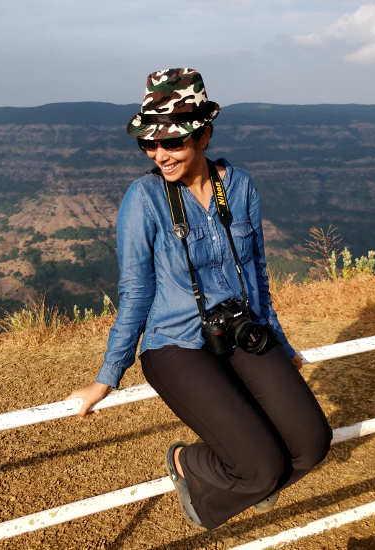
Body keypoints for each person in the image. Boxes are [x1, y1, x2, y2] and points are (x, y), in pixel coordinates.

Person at [66, 68, 331, 530]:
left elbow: (258, 273)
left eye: (172, 143)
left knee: (312, 443)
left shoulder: (240, 185)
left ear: (204, 135)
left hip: (239, 328)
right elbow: (135, 291)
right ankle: (194, 464)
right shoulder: (144, 198)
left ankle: (250, 480)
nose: (159, 154)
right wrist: (107, 376)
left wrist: (280, 345)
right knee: (262, 464)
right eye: (149, 144)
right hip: (175, 344)